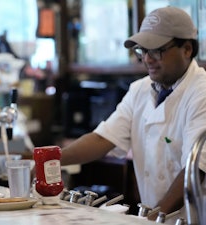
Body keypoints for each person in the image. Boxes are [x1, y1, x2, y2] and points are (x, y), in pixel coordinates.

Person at [60, 6, 205, 223]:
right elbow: (102, 139)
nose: (147, 59)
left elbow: (195, 169)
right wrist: (48, 160)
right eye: (142, 50)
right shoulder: (140, 89)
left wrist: (153, 218)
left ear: (186, 49)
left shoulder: (201, 92)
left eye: (156, 50)